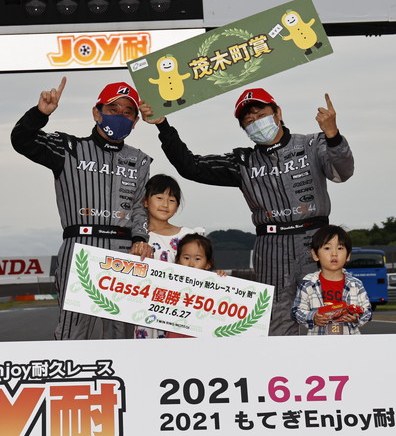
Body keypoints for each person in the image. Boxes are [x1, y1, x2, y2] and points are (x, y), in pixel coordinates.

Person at [139, 87, 354, 336]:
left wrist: (333, 135)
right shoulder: (243, 161)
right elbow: (191, 167)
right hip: (271, 246)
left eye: (260, 115)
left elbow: (343, 172)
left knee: (328, 314)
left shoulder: (312, 143)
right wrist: (163, 126)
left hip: (316, 241)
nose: (256, 122)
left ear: (278, 113)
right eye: (249, 121)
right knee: (277, 319)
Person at [11, 76, 153, 341]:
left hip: (124, 252)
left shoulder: (140, 160)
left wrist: (140, 239)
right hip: (80, 248)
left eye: (127, 112)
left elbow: (139, 207)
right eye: (113, 109)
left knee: (122, 335)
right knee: (72, 333)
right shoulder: (68, 148)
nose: (120, 116)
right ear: (97, 113)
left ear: (135, 121)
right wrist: (40, 114)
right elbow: (21, 141)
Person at [135, 174, 204, 339]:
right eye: (159, 198)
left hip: (178, 313)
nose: (165, 204)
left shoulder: (188, 236)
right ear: (145, 201)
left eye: (172, 200)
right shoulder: (135, 239)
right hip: (141, 312)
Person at [292, 225, 372, 335]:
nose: (334, 253)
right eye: (327, 248)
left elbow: (367, 311)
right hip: (318, 342)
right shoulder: (308, 284)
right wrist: (313, 317)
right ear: (315, 255)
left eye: (340, 248)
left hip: (350, 341)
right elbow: (296, 311)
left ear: (348, 255)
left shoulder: (356, 284)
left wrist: (357, 317)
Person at [164, 233, 227, 338]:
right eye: (186, 258)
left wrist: (221, 279)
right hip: (176, 333)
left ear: (208, 264)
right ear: (178, 261)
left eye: (197, 259)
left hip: (202, 335)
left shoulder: (213, 284)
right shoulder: (170, 282)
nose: (191, 264)